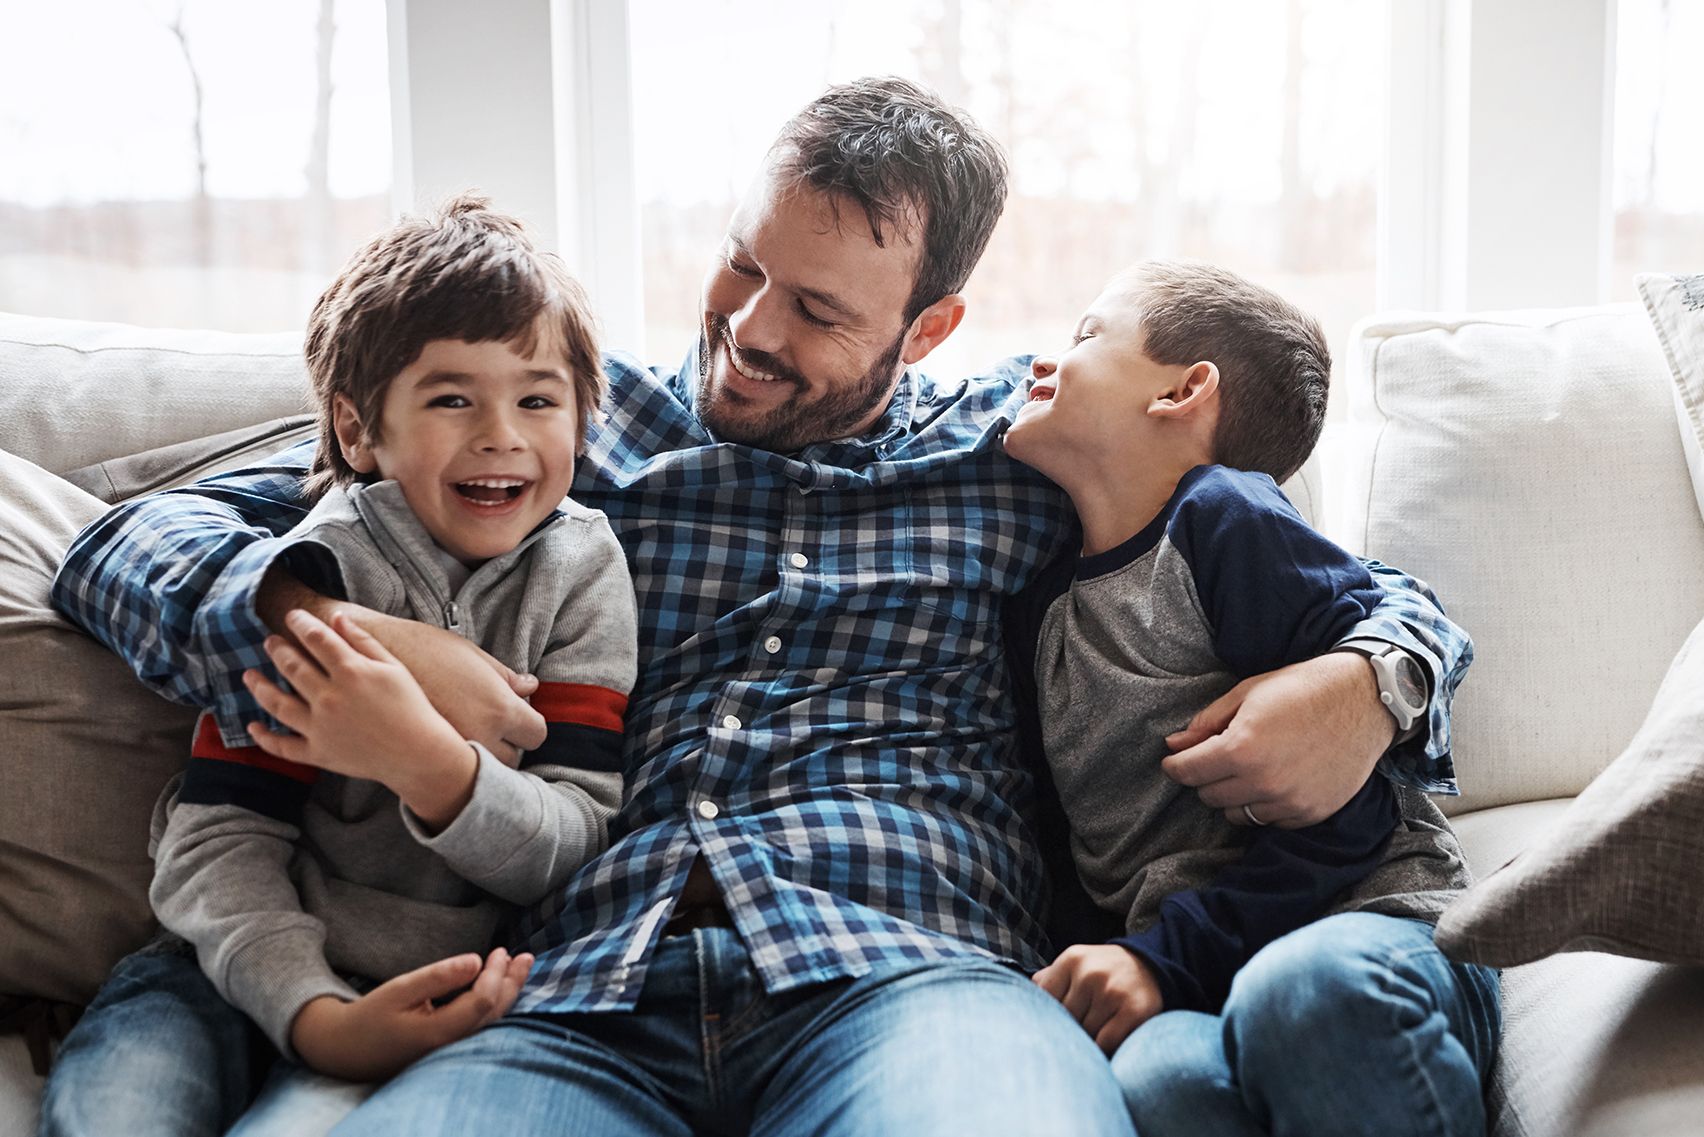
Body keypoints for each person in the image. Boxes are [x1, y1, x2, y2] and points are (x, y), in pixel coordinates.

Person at [50, 78, 1474, 1136]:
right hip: (576, 989)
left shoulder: (1021, 447)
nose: (749, 328)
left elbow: (1320, 564)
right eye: (743, 262)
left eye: (819, 310)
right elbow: (127, 541)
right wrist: (364, 631)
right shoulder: (562, 426)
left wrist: (1374, 680)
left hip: (913, 975)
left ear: (930, 332)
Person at [40, 195, 638, 1137]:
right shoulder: (316, 563)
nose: (501, 433)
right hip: (224, 962)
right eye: (452, 398)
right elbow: (220, 838)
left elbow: (572, 840)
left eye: (537, 398)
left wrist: (428, 765)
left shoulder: (583, 573)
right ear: (360, 432)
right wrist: (315, 1015)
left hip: (440, 988)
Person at [1003, 261, 1500, 1135]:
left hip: (1371, 922)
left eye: (1084, 337)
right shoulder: (1043, 605)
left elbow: (1354, 804)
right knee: (1160, 1082)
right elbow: (1071, 844)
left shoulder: (1226, 519)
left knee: (1306, 992)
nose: (1040, 365)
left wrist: (1165, 955)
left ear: (1184, 390)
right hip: (1194, 971)